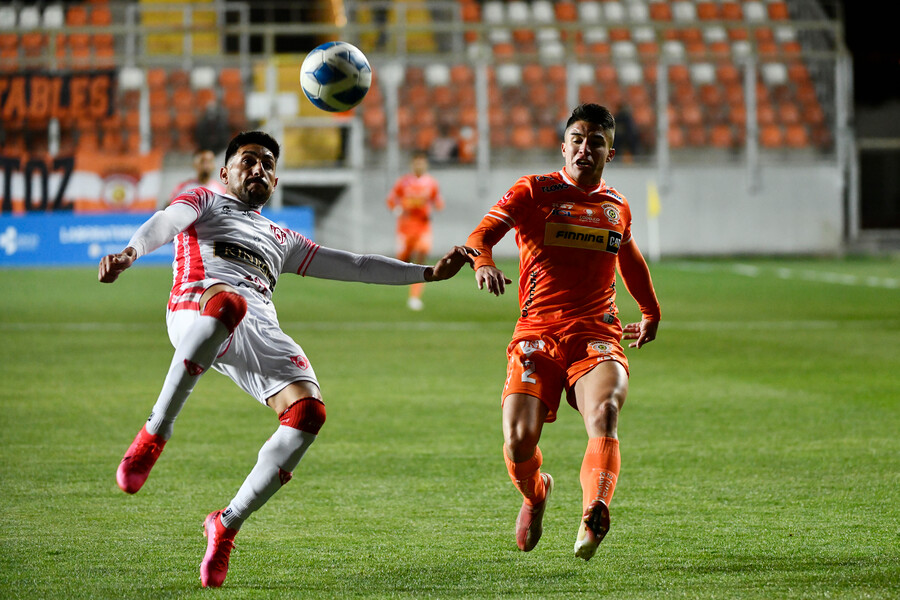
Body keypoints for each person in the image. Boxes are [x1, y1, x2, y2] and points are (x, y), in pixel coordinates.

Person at [99, 131, 475, 588]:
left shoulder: (282, 237)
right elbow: (166, 220)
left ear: (275, 182)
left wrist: (428, 273)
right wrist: (131, 253)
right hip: (196, 307)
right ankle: (156, 431)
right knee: (228, 304)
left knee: (308, 413)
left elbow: (355, 265)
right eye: (249, 160)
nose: (259, 168)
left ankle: (226, 524)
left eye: (268, 164)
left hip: (257, 325)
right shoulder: (205, 200)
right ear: (225, 173)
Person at [464, 104, 661, 561]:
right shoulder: (534, 190)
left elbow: (628, 257)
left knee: (605, 413)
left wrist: (650, 311)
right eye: (577, 139)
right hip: (538, 332)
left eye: (596, 142)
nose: (584, 148)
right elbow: (480, 236)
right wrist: (483, 263)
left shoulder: (617, 206)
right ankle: (536, 493)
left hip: (597, 333)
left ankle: (595, 509)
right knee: (518, 440)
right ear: (563, 145)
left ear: (610, 154)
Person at [385, 150, 445, 310]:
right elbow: (391, 199)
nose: (419, 165)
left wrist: (436, 206)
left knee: (421, 259)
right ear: (412, 164)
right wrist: (397, 209)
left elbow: (438, 201)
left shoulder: (431, 183)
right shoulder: (403, 182)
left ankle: (414, 297)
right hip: (405, 228)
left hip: (423, 227)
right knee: (402, 262)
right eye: (417, 161)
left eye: (422, 161)